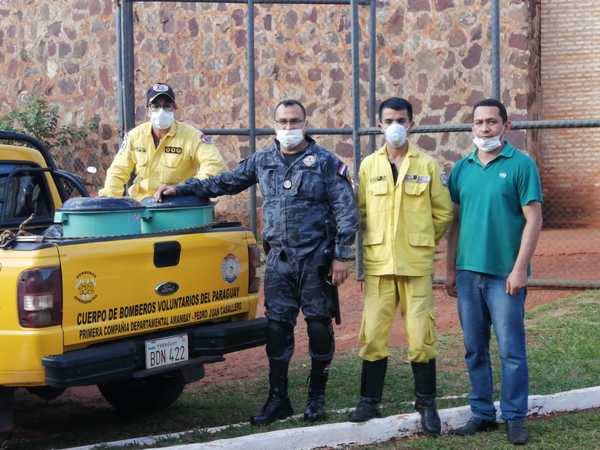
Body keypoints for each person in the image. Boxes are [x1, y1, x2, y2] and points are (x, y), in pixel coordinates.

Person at [154, 99, 359, 425]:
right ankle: (278, 399)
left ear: (305, 123)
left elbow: (346, 209)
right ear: (274, 124)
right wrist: (182, 188)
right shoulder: (263, 160)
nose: (289, 128)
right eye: (283, 121)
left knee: (319, 327)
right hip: (279, 262)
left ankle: (316, 397)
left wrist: (341, 256)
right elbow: (224, 181)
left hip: (315, 260)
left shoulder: (324, 163)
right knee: (277, 332)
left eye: (294, 121)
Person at [350, 97, 453, 436]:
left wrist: (422, 240)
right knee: (374, 336)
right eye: (390, 119)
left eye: (402, 119)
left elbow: (443, 212)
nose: (396, 125)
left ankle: (426, 403)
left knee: (421, 337)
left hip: (416, 264)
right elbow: (361, 213)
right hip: (380, 266)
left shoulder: (426, 165)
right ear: (379, 124)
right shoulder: (368, 167)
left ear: (411, 123)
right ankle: (369, 400)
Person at [446, 98, 543, 445]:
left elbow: (534, 219)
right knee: (474, 348)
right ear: (471, 127)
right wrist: (450, 269)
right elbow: (455, 222)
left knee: (511, 350)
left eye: (491, 122)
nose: (484, 128)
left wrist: (519, 270)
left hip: (505, 276)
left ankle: (515, 417)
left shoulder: (521, 165)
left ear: (506, 125)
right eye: (478, 122)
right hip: (468, 275)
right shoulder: (462, 168)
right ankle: (483, 413)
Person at [99, 83, 226, 200]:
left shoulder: (192, 136)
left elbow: (215, 166)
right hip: (143, 204)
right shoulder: (135, 136)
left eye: (167, 106)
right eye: (156, 106)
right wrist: (110, 202)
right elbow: (118, 170)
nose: (161, 111)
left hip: (180, 203)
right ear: (148, 110)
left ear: (174, 108)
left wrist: (184, 188)